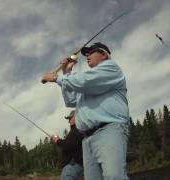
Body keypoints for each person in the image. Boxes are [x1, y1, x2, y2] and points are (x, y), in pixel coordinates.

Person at [42, 42, 130, 180]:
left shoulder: (111, 68)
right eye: (86, 53)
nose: (87, 55)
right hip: (87, 139)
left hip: (109, 129)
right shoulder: (89, 84)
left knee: (114, 177)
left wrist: (56, 77)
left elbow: (84, 81)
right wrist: (67, 71)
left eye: (91, 52)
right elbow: (71, 100)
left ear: (104, 54)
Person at [51, 110, 84, 180]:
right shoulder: (77, 130)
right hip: (77, 166)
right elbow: (70, 143)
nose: (68, 121)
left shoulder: (77, 129)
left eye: (70, 118)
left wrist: (57, 140)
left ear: (76, 117)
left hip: (73, 166)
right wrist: (59, 140)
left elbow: (67, 146)